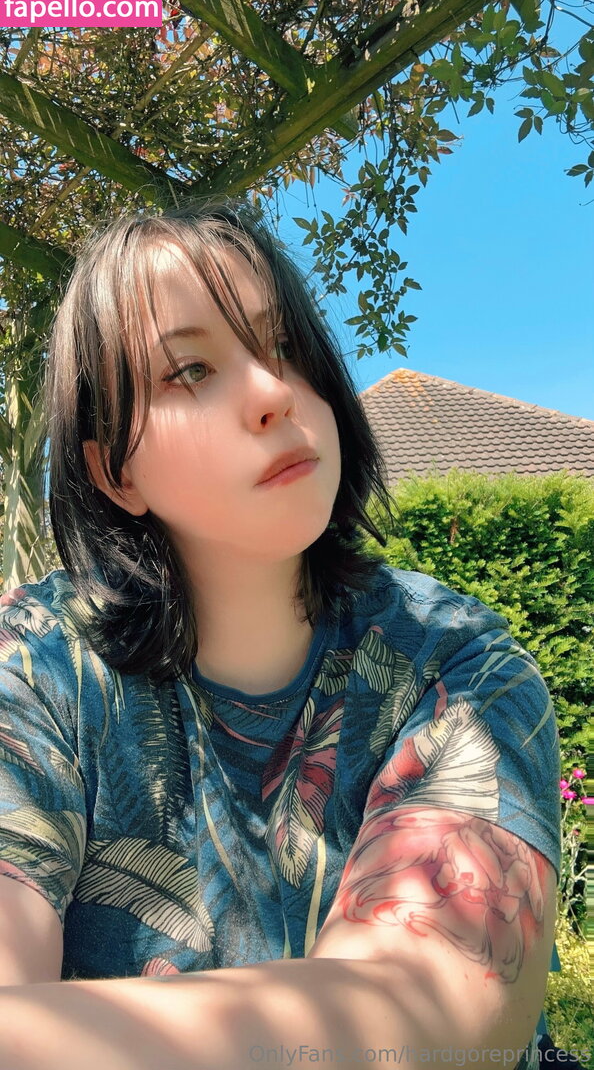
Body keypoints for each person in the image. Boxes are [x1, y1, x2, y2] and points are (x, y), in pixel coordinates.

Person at [0, 198, 565, 1070]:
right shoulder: (39, 666)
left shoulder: (457, 663)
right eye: (190, 370)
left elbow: (425, 1017)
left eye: (286, 346)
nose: (273, 394)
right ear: (115, 473)